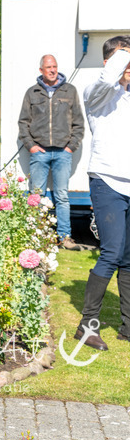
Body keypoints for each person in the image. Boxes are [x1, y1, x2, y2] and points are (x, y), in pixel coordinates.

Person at [74, 36, 130, 352]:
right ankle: (86, 326)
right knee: (111, 253)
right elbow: (109, 77)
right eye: (125, 58)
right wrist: (122, 55)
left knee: (129, 257)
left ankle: (128, 327)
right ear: (110, 61)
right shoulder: (96, 93)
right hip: (107, 181)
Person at [18, 54, 84, 250]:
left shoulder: (70, 90)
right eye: (48, 67)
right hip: (40, 152)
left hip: (63, 152)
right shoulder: (32, 92)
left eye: (54, 66)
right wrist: (31, 146)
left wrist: (71, 147)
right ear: (41, 70)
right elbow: (23, 122)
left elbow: (79, 123)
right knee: (36, 196)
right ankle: (35, 237)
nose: (53, 70)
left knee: (62, 196)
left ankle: (65, 237)